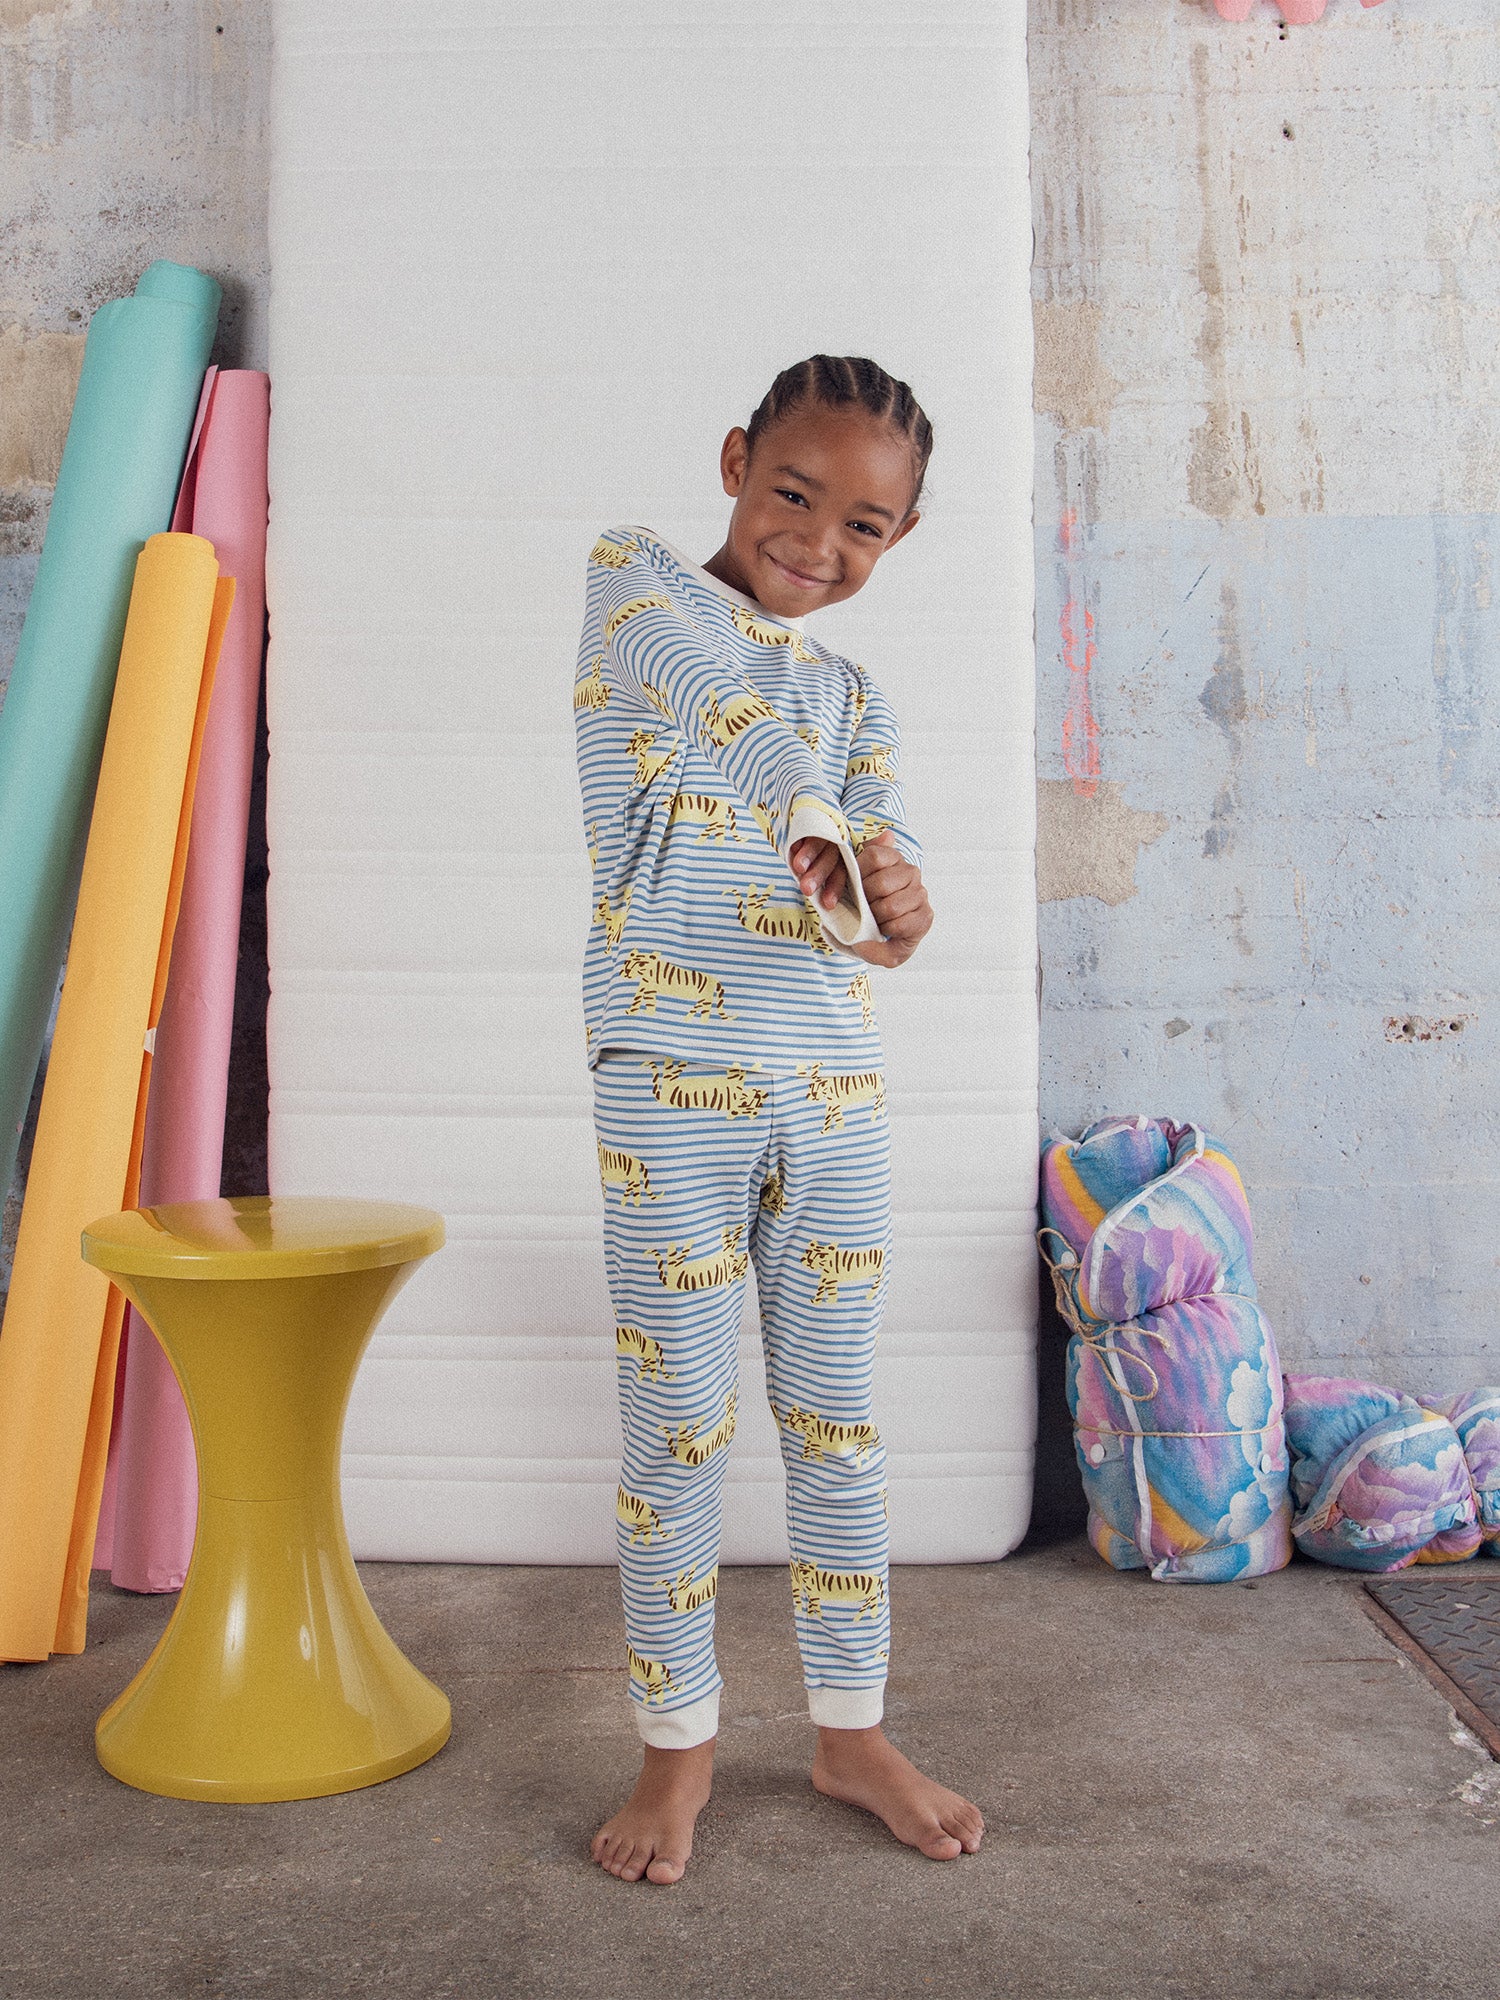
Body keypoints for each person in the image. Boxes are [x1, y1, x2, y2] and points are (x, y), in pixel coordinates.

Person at [574, 355, 984, 1884]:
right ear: (738, 460)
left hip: (832, 1101)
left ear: (902, 539)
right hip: (666, 1097)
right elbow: (724, 707)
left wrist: (897, 906)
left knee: (838, 1431)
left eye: (865, 526)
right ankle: (677, 1748)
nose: (817, 541)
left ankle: (849, 1729)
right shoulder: (637, 589)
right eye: (792, 494)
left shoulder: (859, 694)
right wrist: (811, 818)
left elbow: (879, 905)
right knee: (675, 1434)